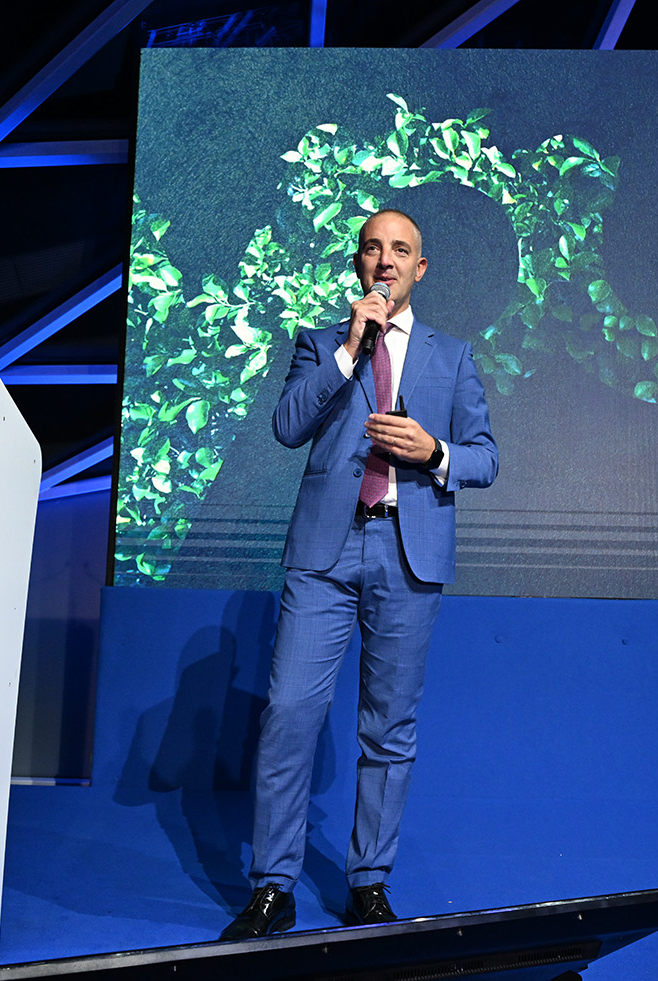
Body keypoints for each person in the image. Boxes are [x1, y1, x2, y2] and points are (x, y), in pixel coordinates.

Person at [220, 209, 498, 939]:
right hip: (326, 552)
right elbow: (288, 427)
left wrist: (433, 451)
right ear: (359, 266)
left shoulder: (453, 356)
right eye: (374, 248)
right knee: (289, 715)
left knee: (389, 727)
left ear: (419, 269)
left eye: (401, 250)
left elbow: (486, 458)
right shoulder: (320, 345)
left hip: (409, 553)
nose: (386, 260)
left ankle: (368, 882)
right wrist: (350, 348)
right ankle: (273, 887)